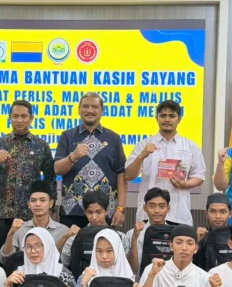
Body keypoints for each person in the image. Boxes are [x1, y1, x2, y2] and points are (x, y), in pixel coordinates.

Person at [0, 100, 56, 263]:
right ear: (10, 118)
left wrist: (50, 209)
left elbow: (50, 178)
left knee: (30, 257)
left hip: (30, 214)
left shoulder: (41, 146)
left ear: (31, 118)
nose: (19, 120)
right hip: (1, 212)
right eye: (15, 116)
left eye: (24, 116)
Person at [125, 100, 206, 225]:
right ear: (156, 118)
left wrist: (184, 184)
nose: (167, 120)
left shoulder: (190, 146)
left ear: (179, 119)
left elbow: (199, 175)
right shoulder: (143, 145)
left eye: (172, 116)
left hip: (179, 214)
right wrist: (141, 156)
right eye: (163, 116)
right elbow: (129, 176)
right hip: (148, 215)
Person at [54, 92, 127, 228]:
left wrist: (120, 209)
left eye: (95, 107)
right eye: (85, 106)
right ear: (79, 110)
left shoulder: (114, 138)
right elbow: (57, 169)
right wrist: (73, 156)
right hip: (72, 211)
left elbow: (121, 174)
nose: (90, 110)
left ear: (102, 111)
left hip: (104, 212)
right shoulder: (67, 136)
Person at [0, 180, 69, 264]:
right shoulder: (20, 228)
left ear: (51, 203)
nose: (37, 204)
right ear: (29, 204)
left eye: (42, 200)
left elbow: (66, 262)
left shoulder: (63, 230)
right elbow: (5, 260)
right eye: (33, 200)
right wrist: (10, 234)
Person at [60, 190, 131, 268]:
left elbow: (126, 266)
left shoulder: (120, 238)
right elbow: (64, 264)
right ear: (85, 212)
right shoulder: (75, 238)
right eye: (90, 212)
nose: (94, 217)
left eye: (98, 212)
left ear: (106, 211)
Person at [126, 187, 174, 276]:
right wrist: (134, 238)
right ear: (145, 208)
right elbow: (132, 270)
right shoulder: (131, 233)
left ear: (168, 208)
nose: (157, 211)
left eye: (162, 206)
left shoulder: (175, 234)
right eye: (152, 206)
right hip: (140, 281)